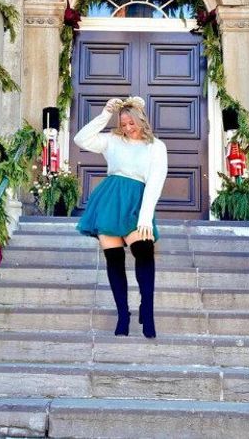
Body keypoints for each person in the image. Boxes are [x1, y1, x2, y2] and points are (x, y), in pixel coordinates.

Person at [73, 96, 168, 338]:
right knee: (114, 260)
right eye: (123, 124)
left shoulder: (156, 146)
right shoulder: (112, 140)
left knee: (144, 251)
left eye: (131, 124)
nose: (127, 128)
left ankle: (147, 308)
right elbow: (80, 139)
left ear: (141, 120)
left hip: (138, 202)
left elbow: (155, 182)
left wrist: (146, 217)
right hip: (111, 200)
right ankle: (123, 315)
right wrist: (105, 113)